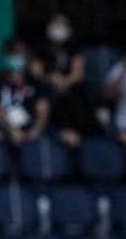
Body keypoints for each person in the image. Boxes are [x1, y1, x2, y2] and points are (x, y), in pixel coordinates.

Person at [29, 13, 93, 146]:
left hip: (69, 90)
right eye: (56, 25)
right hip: (46, 88)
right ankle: (50, 131)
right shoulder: (40, 48)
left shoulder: (74, 48)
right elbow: (35, 72)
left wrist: (64, 81)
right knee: (43, 99)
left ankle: (77, 132)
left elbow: (78, 73)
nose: (59, 28)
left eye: (63, 25)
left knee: (76, 95)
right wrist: (50, 78)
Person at [0, 38, 50, 146]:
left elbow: (43, 112)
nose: (16, 58)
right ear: (5, 56)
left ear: (26, 57)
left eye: (19, 54)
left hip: (30, 132)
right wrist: (11, 131)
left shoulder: (35, 82)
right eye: (12, 54)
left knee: (43, 142)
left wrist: (35, 131)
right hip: (4, 130)